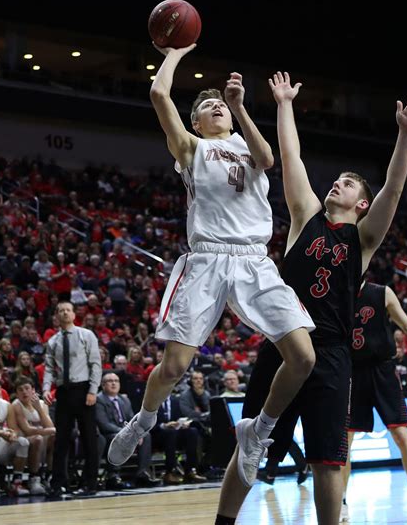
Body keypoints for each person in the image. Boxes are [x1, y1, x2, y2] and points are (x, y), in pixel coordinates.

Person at [216, 72, 407, 525]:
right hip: (284, 344)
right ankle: (223, 521)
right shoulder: (304, 216)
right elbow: (290, 155)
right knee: (251, 442)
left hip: (332, 353)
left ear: (361, 204)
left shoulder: (363, 238)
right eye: (337, 180)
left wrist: (404, 135)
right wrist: (285, 104)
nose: (338, 184)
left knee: (328, 458)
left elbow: (393, 186)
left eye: (349, 184)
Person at [107, 46, 316, 493]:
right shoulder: (191, 147)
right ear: (196, 123)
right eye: (207, 107)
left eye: (218, 103)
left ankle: (258, 430)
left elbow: (268, 160)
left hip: (255, 260)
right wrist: (175, 52)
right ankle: (141, 422)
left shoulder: (245, 144)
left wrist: (240, 105)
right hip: (206, 258)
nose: (216, 107)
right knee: (175, 365)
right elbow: (159, 94)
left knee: (304, 356)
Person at [341, 281, 407, 522]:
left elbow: (406, 324)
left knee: (401, 435)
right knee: (345, 442)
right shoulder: (337, 291)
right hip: (352, 372)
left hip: (383, 369)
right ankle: (341, 503)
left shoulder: (381, 292)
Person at [42, 301, 101, 497]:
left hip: (83, 389)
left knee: (89, 439)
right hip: (63, 391)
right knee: (61, 440)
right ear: (56, 316)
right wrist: (45, 390)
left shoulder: (87, 335)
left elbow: (95, 364)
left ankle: (89, 483)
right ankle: (58, 483)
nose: (65, 313)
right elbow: (49, 368)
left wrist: (93, 390)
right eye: (61, 311)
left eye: (68, 310)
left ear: (74, 314)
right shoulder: (53, 341)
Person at [95, 371, 160, 489]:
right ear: (103, 385)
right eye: (110, 381)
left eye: (116, 381)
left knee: (146, 436)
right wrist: (126, 433)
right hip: (109, 434)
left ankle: (142, 473)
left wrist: (137, 432)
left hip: (126, 432)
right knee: (117, 437)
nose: (114, 384)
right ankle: (113, 476)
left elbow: (132, 419)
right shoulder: (99, 400)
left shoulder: (124, 400)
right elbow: (103, 424)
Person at [0, 375, 30, 497]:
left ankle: (17, 483)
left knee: (23, 442)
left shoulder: (6, 405)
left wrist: (11, 434)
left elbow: (14, 429)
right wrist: (0, 433)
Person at [12, 375, 56, 495]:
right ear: (16, 393)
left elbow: (49, 425)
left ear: (33, 390)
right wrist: (48, 430)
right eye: (20, 390)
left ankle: (49, 475)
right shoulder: (16, 405)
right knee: (38, 438)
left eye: (27, 388)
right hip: (24, 442)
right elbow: (27, 430)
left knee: (54, 437)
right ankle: (34, 478)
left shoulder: (42, 404)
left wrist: (39, 409)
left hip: (41, 441)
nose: (24, 392)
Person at [151, 393, 208, 485]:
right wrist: (164, 425)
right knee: (170, 432)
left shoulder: (175, 400)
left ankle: (190, 470)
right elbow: (147, 422)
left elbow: (178, 417)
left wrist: (182, 424)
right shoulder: (151, 400)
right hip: (156, 434)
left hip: (173, 434)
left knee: (192, 431)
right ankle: (170, 472)